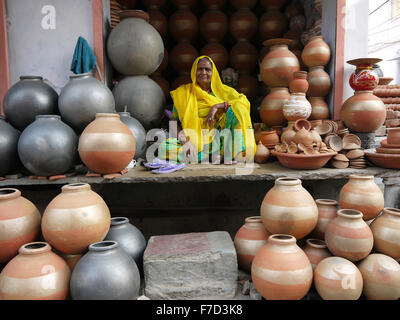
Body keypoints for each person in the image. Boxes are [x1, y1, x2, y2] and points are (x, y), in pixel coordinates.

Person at [158, 55, 256, 164]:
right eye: (200, 69)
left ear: (213, 73)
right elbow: (173, 121)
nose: (203, 72)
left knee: (238, 109)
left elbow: (243, 102)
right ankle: (209, 157)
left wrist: (216, 106)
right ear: (194, 71)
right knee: (163, 148)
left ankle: (225, 154)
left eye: (207, 69)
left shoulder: (223, 91)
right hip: (194, 141)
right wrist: (185, 141)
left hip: (220, 140)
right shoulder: (183, 93)